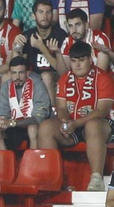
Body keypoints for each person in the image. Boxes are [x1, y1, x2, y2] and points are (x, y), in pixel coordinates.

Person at [41, 41, 114, 190]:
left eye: (81, 60)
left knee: (92, 125)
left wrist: (76, 123)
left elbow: (102, 110)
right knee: (46, 127)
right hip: (73, 125)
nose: (77, 65)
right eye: (74, 61)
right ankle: (52, 179)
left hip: (101, 126)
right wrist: (65, 121)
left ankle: (96, 179)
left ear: (90, 59)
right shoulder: (65, 78)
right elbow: (61, 107)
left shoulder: (103, 77)